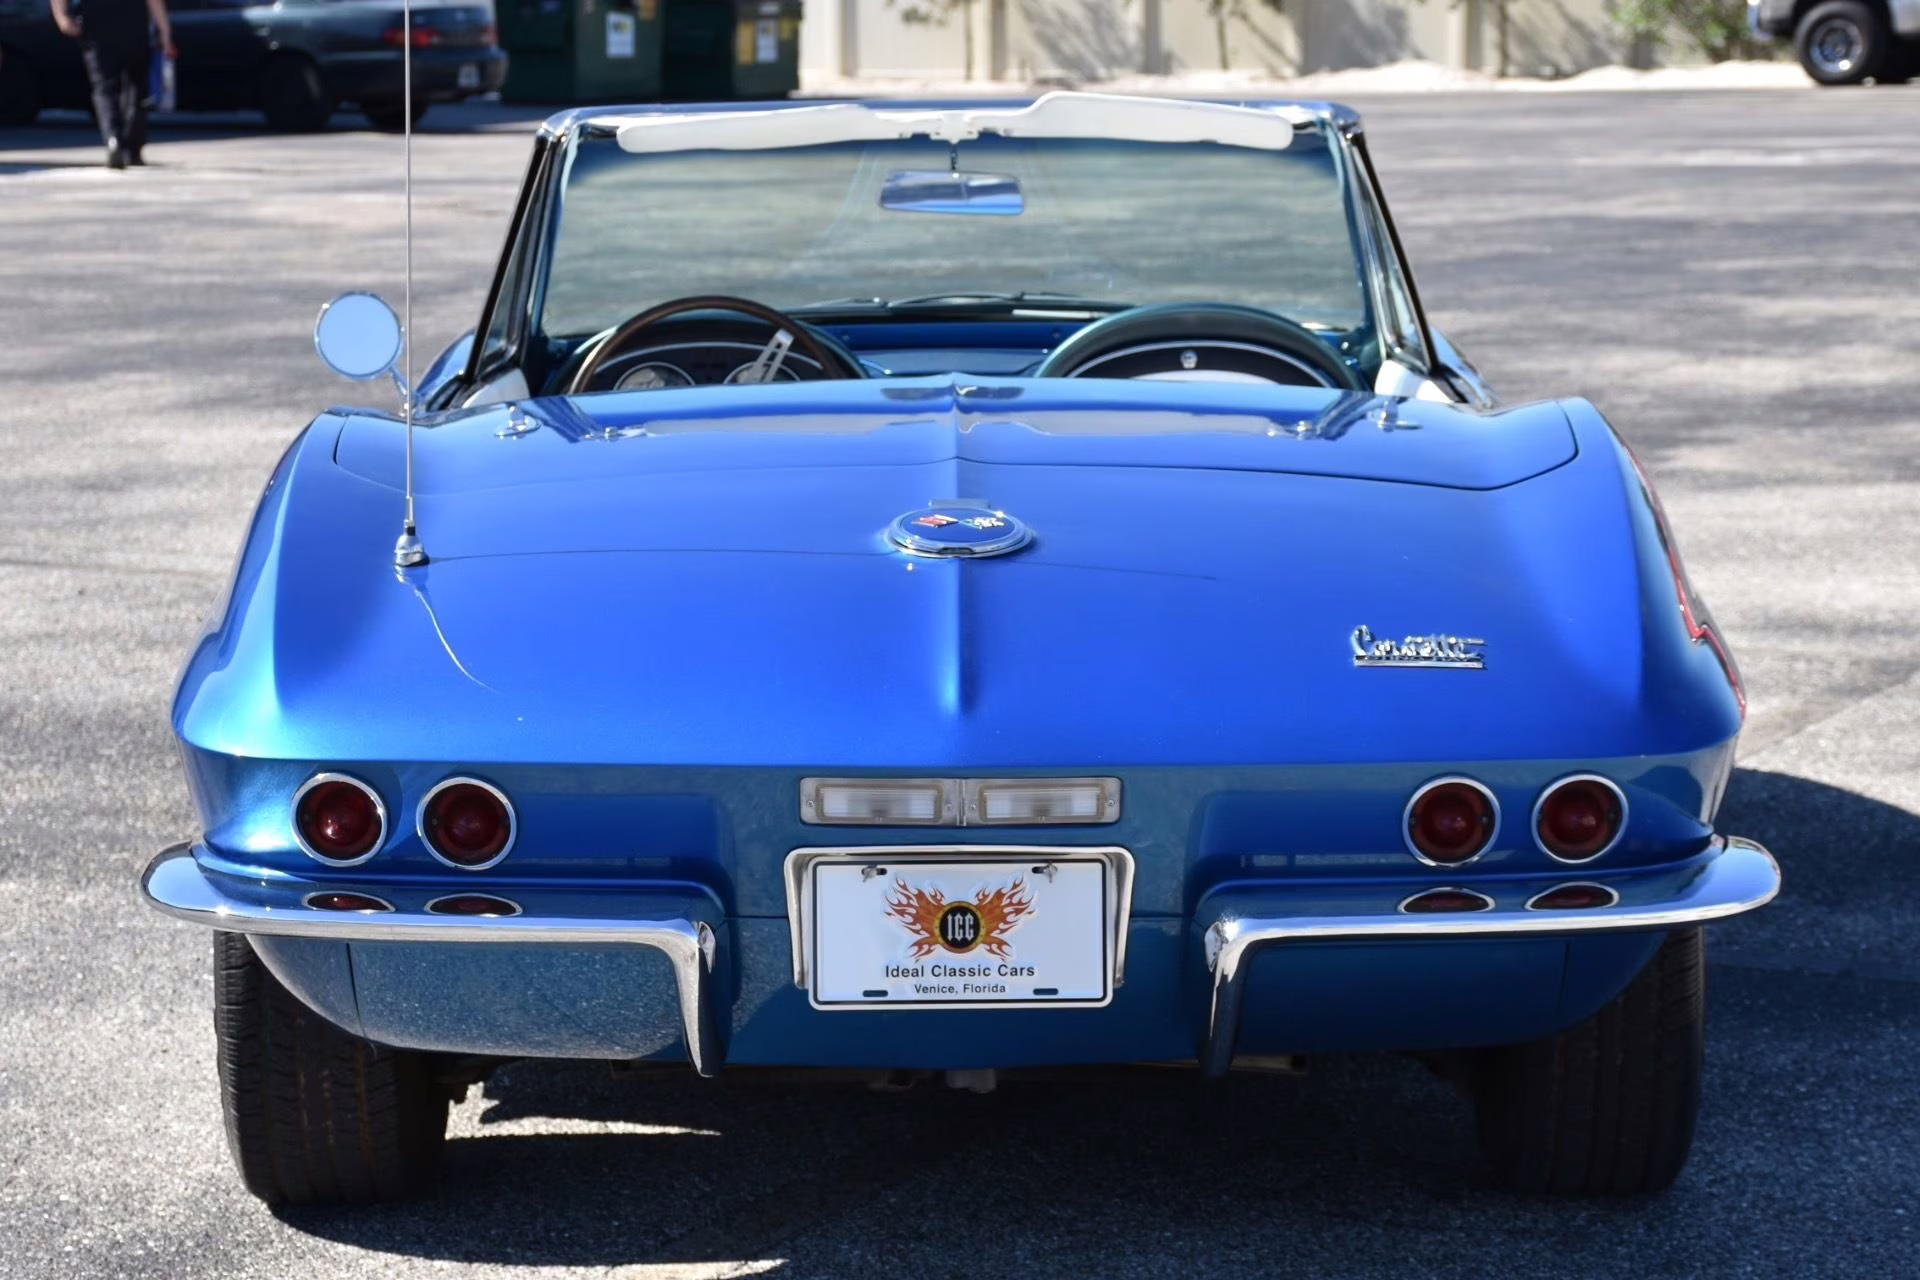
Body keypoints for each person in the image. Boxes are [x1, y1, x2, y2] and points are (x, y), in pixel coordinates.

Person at [50, 0, 174, 169]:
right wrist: (164, 30)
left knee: (104, 87)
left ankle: (113, 139)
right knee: (136, 85)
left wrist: (62, 16)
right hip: (133, 21)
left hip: (96, 22)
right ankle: (132, 146)